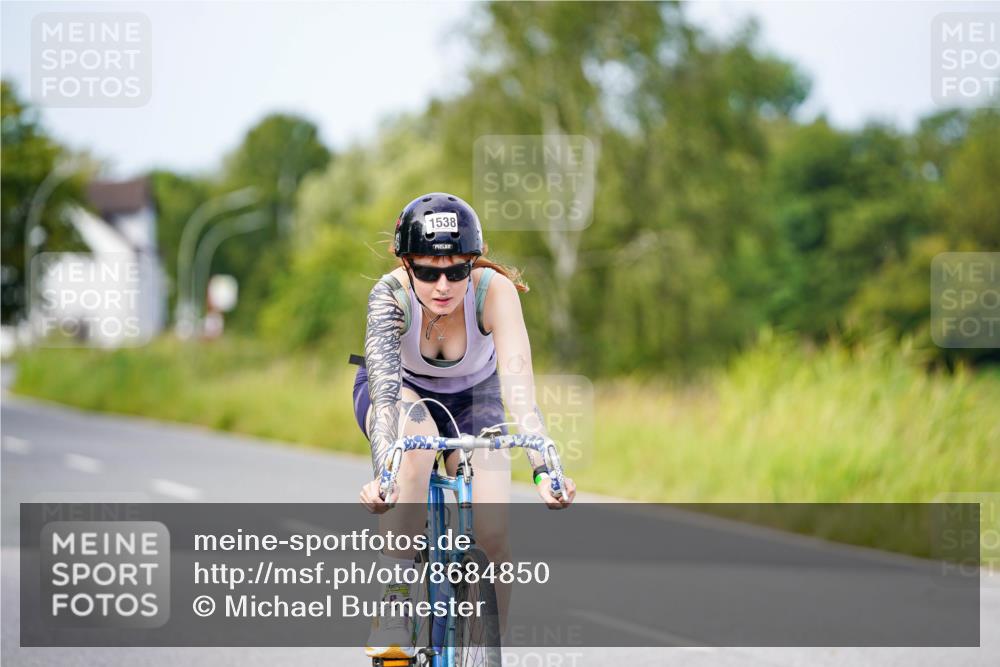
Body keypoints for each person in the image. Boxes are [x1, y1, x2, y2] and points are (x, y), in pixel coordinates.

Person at [352, 192, 577, 659]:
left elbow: (520, 394)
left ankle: (487, 648)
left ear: (473, 263)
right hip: (399, 391)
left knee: (493, 530)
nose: (442, 284)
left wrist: (545, 470)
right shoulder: (388, 297)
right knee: (417, 443)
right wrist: (384, 476)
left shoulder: (494, 293)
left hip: (477, 395)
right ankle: (394, 601)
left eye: (456, 270)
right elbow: (389, 398)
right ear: (406, 263)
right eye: (428, 270)